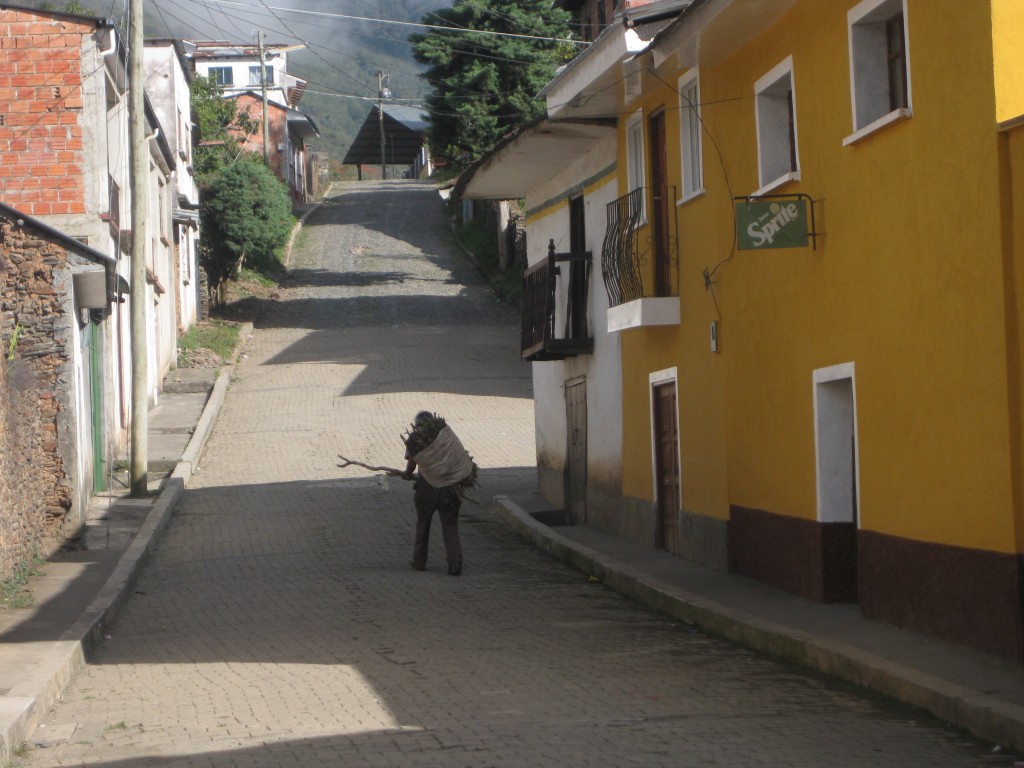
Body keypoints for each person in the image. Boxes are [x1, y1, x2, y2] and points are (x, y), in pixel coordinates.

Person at [402, 411, 473, 576]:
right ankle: (455, 562)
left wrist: (407, 474)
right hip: (451, 488)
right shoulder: (445, 435)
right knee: (450, 524)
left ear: (417, 425)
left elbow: (412, 462)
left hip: (427, 489)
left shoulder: (415, 439)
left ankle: (419, 561)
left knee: (423, 524)